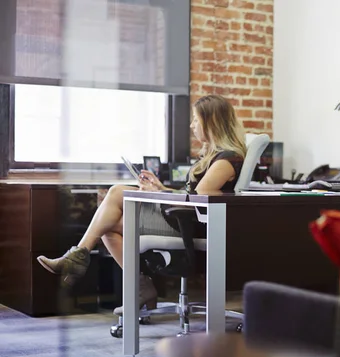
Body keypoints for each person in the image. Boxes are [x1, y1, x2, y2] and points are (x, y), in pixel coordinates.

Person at [37, 94, 246, 314]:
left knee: (117, 193)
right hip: (182, 219)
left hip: (192, 226)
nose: (192, 125)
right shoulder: (215, 157)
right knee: (108, 226)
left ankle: (80, 258)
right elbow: (192, 195)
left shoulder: (227, 159)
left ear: (211, 121)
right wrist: (161, 189)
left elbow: (200, 200)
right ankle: (138, 286)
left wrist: (161, 194)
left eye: (196, 119)